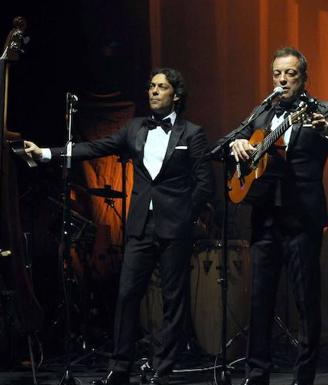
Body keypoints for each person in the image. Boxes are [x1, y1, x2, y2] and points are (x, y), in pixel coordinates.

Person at [25, 68, 214, 385]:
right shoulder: (135, 128)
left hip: (174, 228)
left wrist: (184, 217)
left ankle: (162, 370)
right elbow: (95, 148)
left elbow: (205, 184)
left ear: (176, 95)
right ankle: (120, 368)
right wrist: (46, 153)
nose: (153, 91)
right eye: (151, 86)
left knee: (172, 299)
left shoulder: (191, 133)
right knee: (127, 295)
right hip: (140, 226)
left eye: (161, 87)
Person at [229, 47, 328, 385]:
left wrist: (325, 128)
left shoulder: (322, 109)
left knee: (306, 302)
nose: (282, 79)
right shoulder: (263, 112)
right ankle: (256, 375)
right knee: (260, 301)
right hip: (265, 218)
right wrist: (236, 145)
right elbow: (238, 136)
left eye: (290, 73)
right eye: (277, 74)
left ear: (304, 78)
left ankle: (304, 377)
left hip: (303, 220)